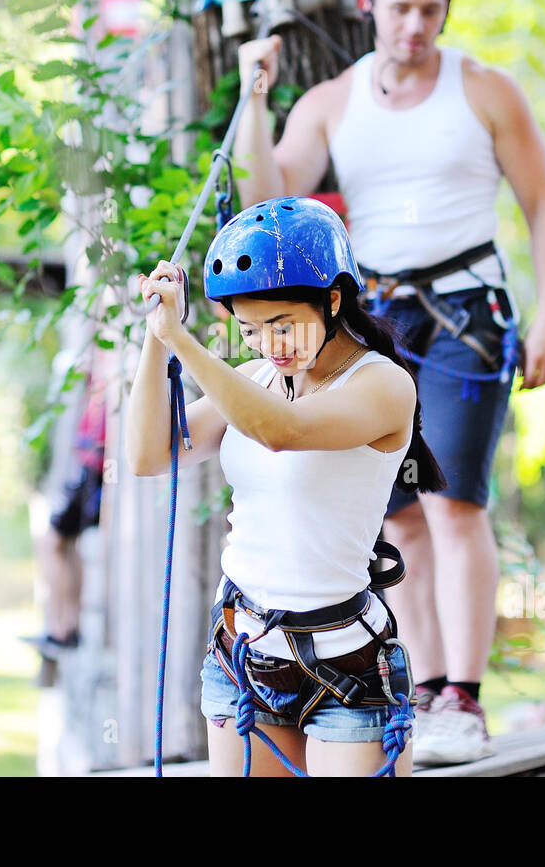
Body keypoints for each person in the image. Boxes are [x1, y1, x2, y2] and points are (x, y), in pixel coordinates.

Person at [233, 0, 545, 764]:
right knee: (404, 513)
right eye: (399, 8)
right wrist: (255, 99)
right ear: (370, 11)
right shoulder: (332, 101)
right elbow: (265, 194)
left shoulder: (486, 90)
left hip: (465, 312)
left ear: (445, 11)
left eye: (429, 8)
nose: (415, 24)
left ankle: (465, 693)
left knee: (458, 504)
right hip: (375, 320)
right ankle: (424, 689)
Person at [126, 196, 449, 777]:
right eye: (250, 329)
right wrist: (156, 335)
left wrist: (181, 340)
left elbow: (282, 430)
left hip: (346, 661)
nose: (270, 346)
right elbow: (151, 454)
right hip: (245, 653)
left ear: (332, 298)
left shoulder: (384, 385)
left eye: (283, 325)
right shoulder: (254, 379)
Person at [22, 370, 106, 661]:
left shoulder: (105, 351)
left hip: (94, 461)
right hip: (91, 459)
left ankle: (63, 627)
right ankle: (67, 626)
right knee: (66, 543)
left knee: (53, 542)